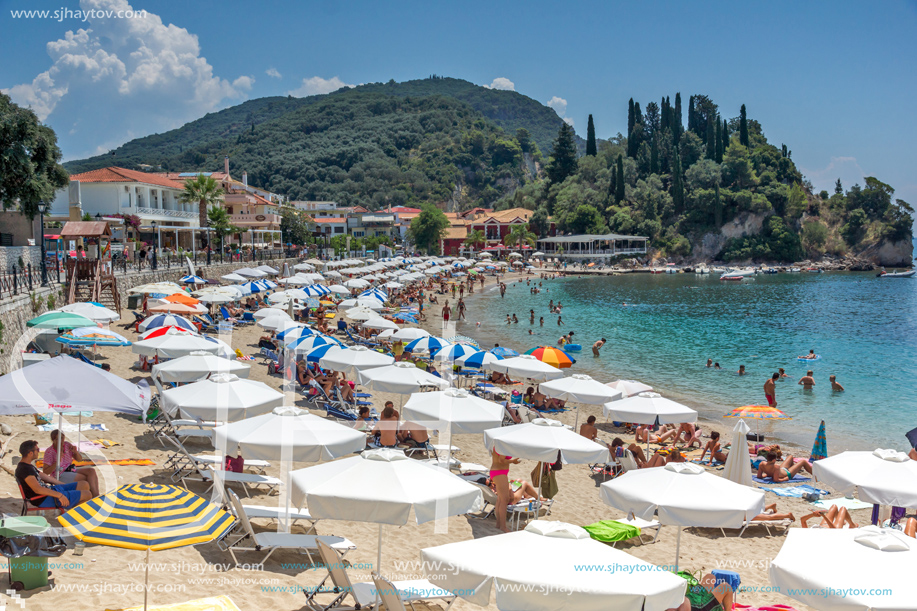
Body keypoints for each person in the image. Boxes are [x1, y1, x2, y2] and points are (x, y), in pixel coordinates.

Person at [16, 440, 90, 509]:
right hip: (43, 499)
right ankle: (68, 516)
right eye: (37, 450)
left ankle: (70, 510)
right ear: (30, 453)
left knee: (84, 484)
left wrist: (63, 485)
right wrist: (59, 495)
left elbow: (46, 477)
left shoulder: (28, 466)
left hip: (49, 491)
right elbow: (37, 489)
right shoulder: (25, 469)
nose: (39, 452)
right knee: (87, 495)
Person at [42, 431, 100, 497]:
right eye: (59, 439)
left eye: (63, 438)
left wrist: (75, 452)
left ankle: (96, 495)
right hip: (59, 473)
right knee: (85, 478)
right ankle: (94, 496)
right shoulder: (49, 451)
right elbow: (45, 472)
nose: (62, 440)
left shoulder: (67, 445)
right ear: (53, 440)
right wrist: (57, 462)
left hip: (70, 468)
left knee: (91, 471)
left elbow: (79, 459)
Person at [490, 448, 521, 532]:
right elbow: (501, 460)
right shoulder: (501, 445)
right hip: (499, 472)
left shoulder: (499, 444)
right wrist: (513, 461)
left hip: (499, 472)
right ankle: (503, 526)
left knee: (500, 499)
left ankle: (499, 524)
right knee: (504, 499)